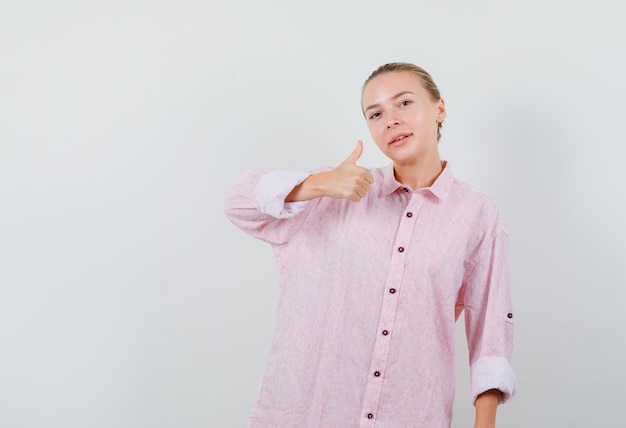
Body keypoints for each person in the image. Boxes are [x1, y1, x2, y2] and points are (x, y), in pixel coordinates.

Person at [224, 62, 516, 428]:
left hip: (410, 414)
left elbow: (490, 331)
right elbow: (238, 204)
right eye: (375, 114)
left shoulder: (477, 214)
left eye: (404, 103)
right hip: (313, 413)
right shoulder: (336, 191)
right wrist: (318, 184)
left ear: (439, 108)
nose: (390, 120)